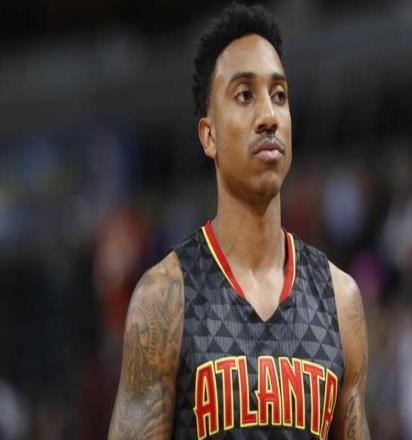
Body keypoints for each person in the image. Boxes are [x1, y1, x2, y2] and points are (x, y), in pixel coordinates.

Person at [108, 3, 370, 439]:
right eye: (245, 95)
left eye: (279, 95)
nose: (269, 116)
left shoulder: (341, 300)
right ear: (208, 135)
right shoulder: (165, 299)